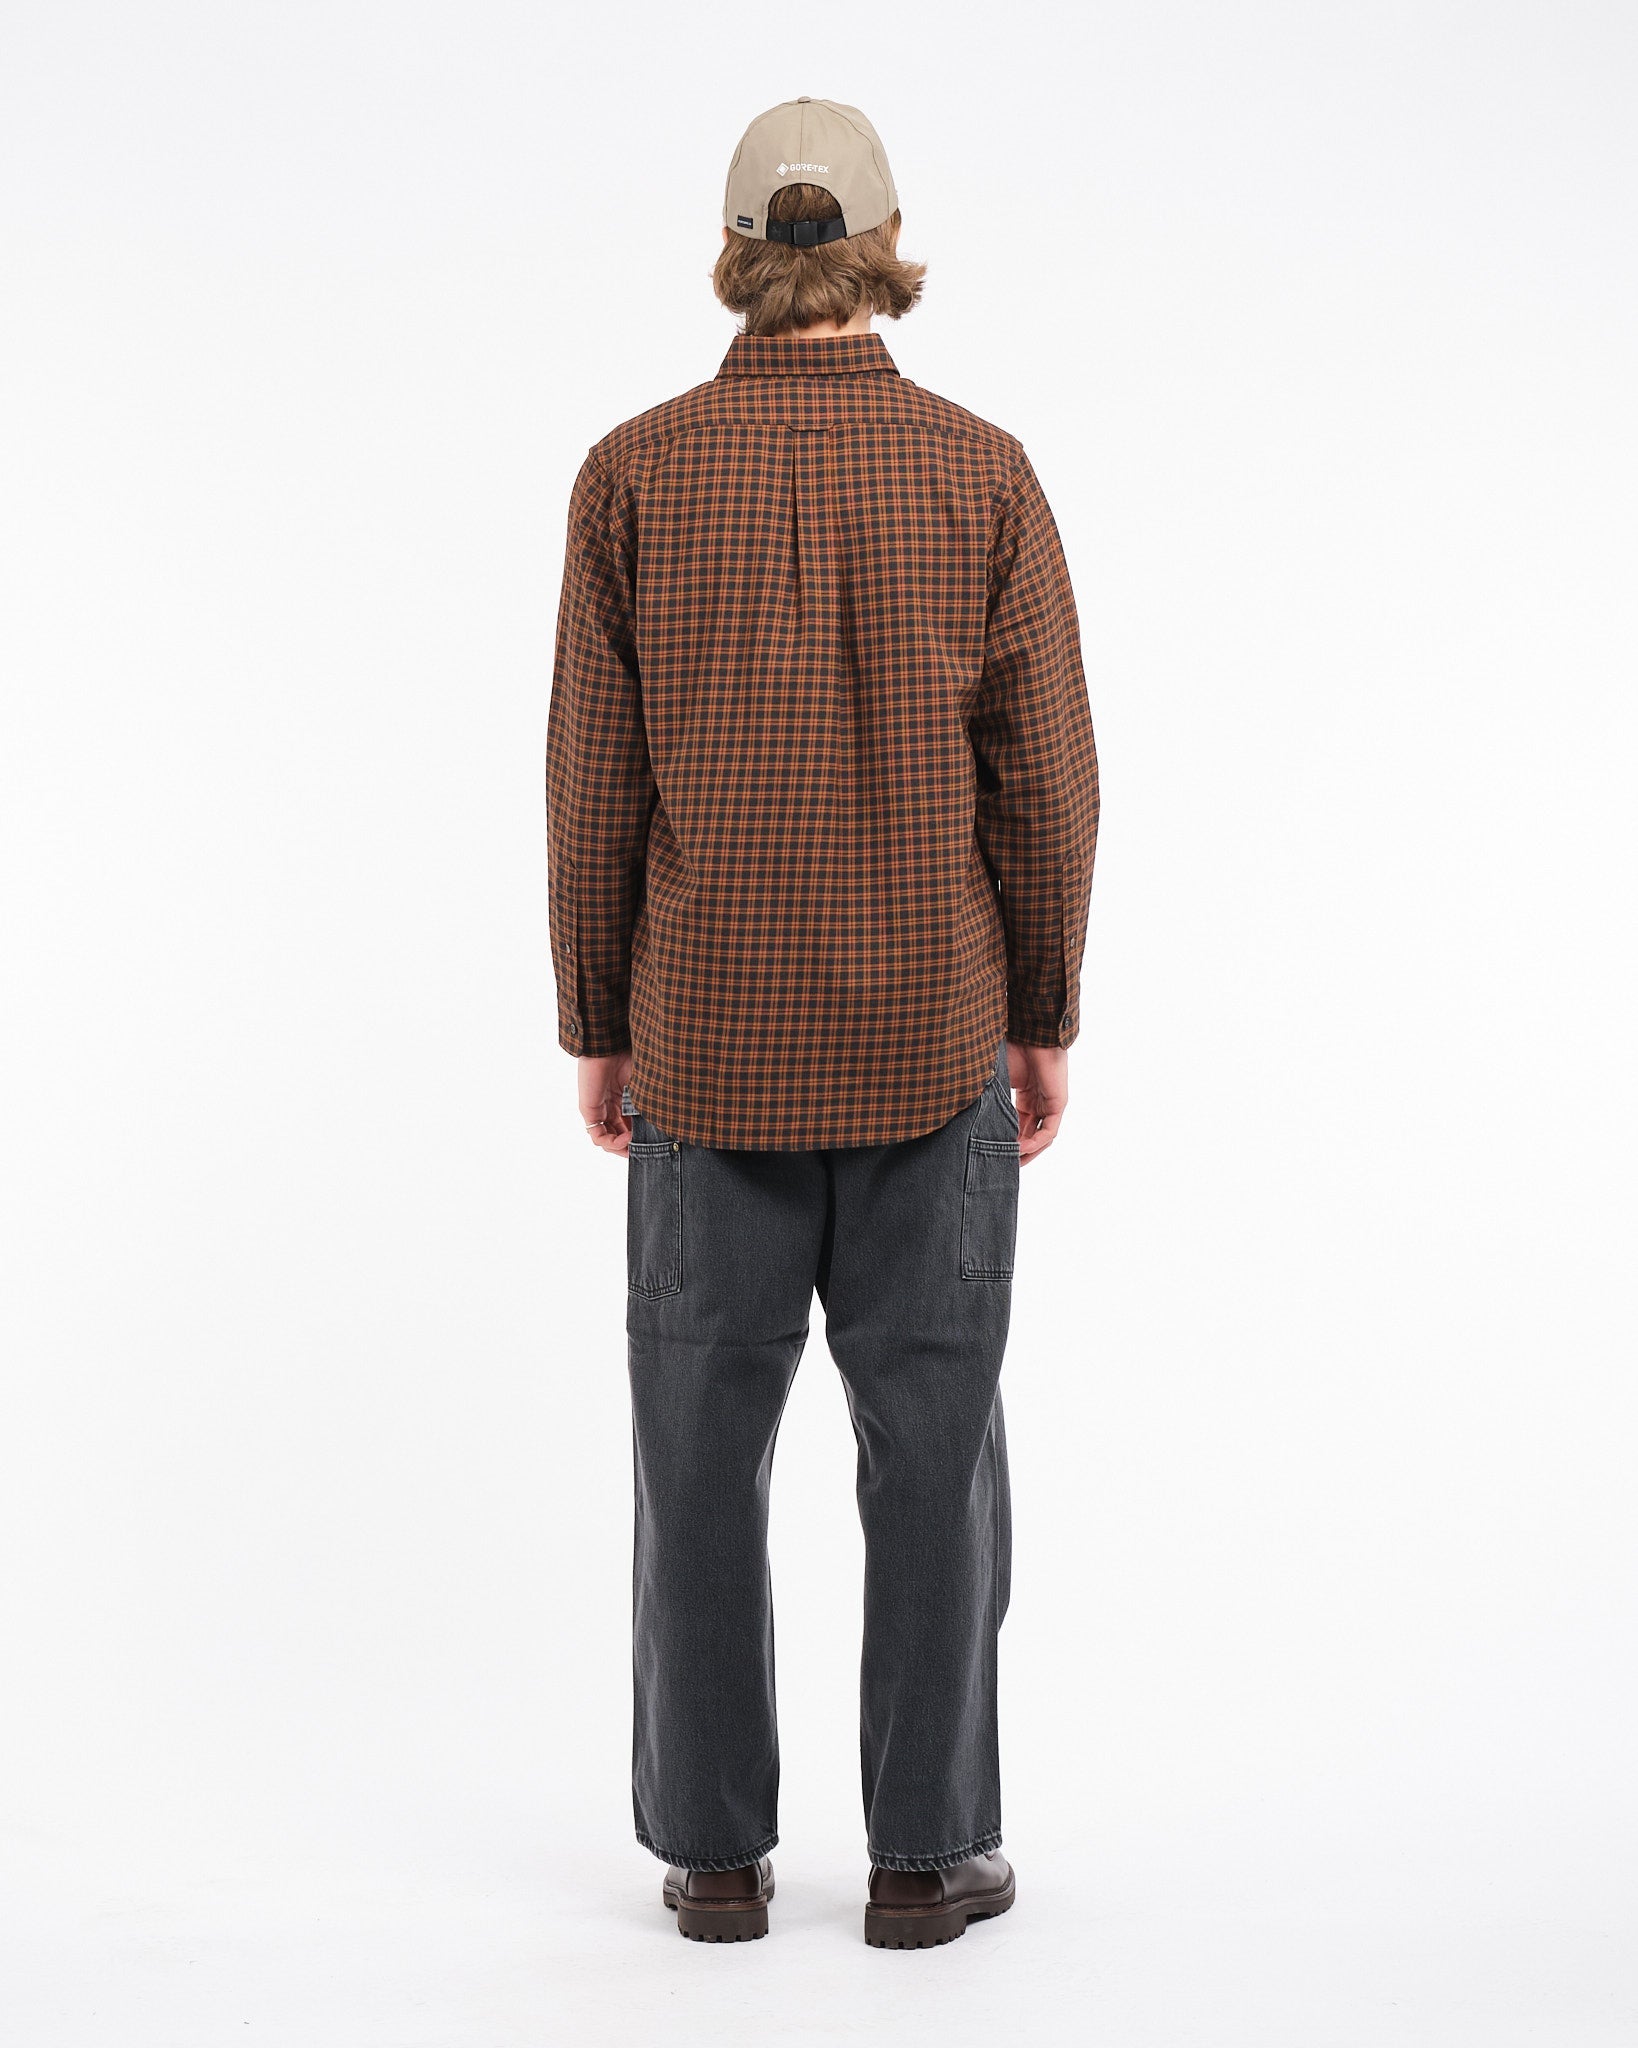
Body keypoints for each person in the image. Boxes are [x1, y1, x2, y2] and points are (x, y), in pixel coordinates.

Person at [544, 96, 1099, 1949]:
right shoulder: (981, 472)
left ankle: (713, 1860)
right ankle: (926, 1858)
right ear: (881, 245)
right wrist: (1040, 1007)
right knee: (931, 1450)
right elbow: (1046, 783)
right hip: (932, 1038)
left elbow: (593, 782)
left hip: (703, 1044)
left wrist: (596, 1016)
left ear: (735, 252)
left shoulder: (630, 474)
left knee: (697, 1455)